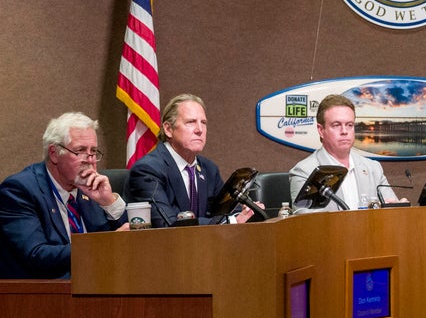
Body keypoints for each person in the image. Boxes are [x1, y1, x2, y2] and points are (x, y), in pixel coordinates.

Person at [0, 112, 128, 279]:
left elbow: (132, 242)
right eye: (80, 150)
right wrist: (105, 244)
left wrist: (108, 202)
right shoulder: (20, 190)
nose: (90, 160)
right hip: (45, 290)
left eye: (93, 151)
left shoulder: (90, 187)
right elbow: (37, 255)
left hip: (99, 283)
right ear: (54, 153)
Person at [129, 93, 257, 226]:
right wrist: (230, 221)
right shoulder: (148, 170)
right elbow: (168, 225)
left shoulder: (209, 169)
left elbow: (228, 211)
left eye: (203, 123)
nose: (200, 130)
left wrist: (245, 214)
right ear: (168, 129)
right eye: (191, 122)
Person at [289, 94, 399, 213]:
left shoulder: (373, 168)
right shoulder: (304, 171)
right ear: (321, 130)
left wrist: (399, 208)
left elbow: (392, 210)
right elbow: (305, 220)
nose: (344, 131)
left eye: (349, 125)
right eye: (336, 125)